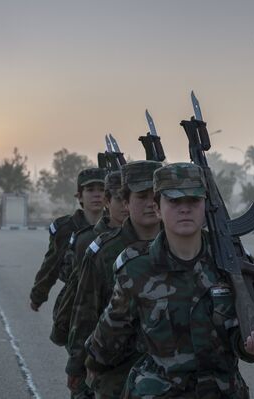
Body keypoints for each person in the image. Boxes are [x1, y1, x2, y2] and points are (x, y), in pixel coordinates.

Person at [85, 162, 254, 398]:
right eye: (174, 201)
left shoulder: (233, 263)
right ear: (157, 208)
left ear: (205, 206)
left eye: (193, 201)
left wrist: (253, 345)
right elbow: (107, 342)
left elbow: (249, 336)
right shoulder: (137, 269)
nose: (184, 209)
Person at [67, 160, 163, 399]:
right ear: (126, 201)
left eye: (156, 196)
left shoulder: (183, 246)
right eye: (142, 196)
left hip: (170, 377)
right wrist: (77, 366)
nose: (151, 203)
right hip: (117, 374)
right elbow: (85, 313)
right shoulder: (103, 252)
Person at [53, 171, 128, 399]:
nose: (127, 206)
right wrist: (77, 362)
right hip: (98, 347)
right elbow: (82, 304)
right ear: (108, 201)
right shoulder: (90, 242)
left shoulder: (158, 242)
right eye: (120, 199)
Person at [29, 167, 107, 346]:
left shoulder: (118, 225)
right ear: (79, 196)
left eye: (101, 189)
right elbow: (51, 264)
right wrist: (38, 295)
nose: (97, 195)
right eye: (90, 190)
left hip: (108, 303)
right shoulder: (66, 228)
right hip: (75, 302)